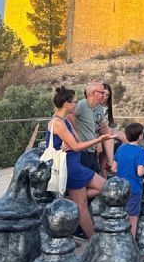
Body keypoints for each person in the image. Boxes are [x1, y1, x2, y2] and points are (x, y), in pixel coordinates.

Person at [46, 86, 114, 238]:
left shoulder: (65, 120)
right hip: (70, 167)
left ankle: (60, 202)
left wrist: (72, 142)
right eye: (75, 102)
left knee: (103, 187)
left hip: (75, 165)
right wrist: (99, 140)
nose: (77, 105)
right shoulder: (58, 123)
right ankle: (93, 240)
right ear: (66, 104)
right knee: (82, 206)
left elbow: (76, 141)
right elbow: (77, 146)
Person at [112, 122, 144, 237]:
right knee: (133, 218)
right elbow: (140, 172)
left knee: (122, 215)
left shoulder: (121, 148)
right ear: (140, 136)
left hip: (121, 188)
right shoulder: (140, 151)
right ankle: (131, 242)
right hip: (134, 189)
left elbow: (113, 168)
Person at [68, 81, 105, 174]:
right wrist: (76, 132)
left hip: (91, 151)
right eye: (102, 92)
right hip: (84, 153)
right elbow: (68, 114)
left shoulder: (92, 108)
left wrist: (98, 143)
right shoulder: (82, 104)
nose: (104, 95)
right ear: (94, 93)